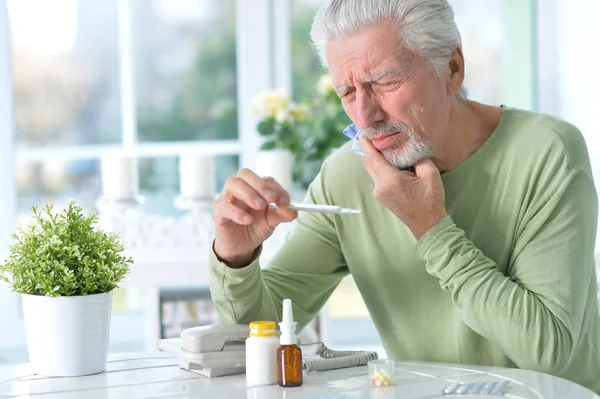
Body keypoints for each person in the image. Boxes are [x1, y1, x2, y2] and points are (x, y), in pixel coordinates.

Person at [208, 0, 600, 393]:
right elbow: (258, 332)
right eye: (346, 91)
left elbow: (547, 352)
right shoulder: (346, 175)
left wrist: (431, 227)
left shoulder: (548, 153)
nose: (364, 116)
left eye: (384, 82)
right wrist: (235, 258)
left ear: (452, 68)